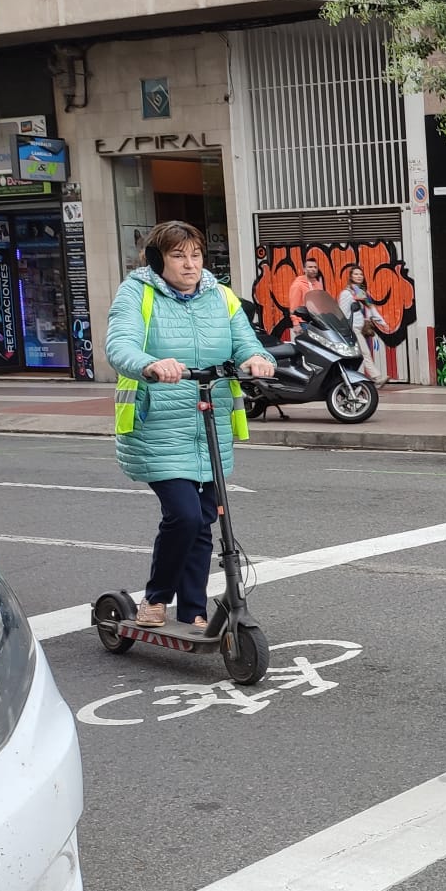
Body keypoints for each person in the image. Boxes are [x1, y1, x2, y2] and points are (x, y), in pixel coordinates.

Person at [105, 221, 275, 629]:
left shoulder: (221, 295)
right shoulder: (137, 292)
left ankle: (193, 609)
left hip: (209, 425)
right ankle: (157, 599)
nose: (190, 264)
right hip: (159, 425)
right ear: (157, 259)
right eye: (179, 256)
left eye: (195, 255)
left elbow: (244, 339)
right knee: (183, 514)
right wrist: (150, 363)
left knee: (204, 518)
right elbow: (120, 344)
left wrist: (255, 358)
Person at [339, 264, 389, 384]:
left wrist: (382, 323)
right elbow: (342, 313)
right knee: (365, 353)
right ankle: (377, 378)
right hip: (353, 329)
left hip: (361, 329)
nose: (359, 276)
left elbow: (371, 309)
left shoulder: (361, 292)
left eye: (361, 274)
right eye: (356, 274)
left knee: (359, 356)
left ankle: (347, 377)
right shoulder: (347, 294)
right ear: (350, 277)